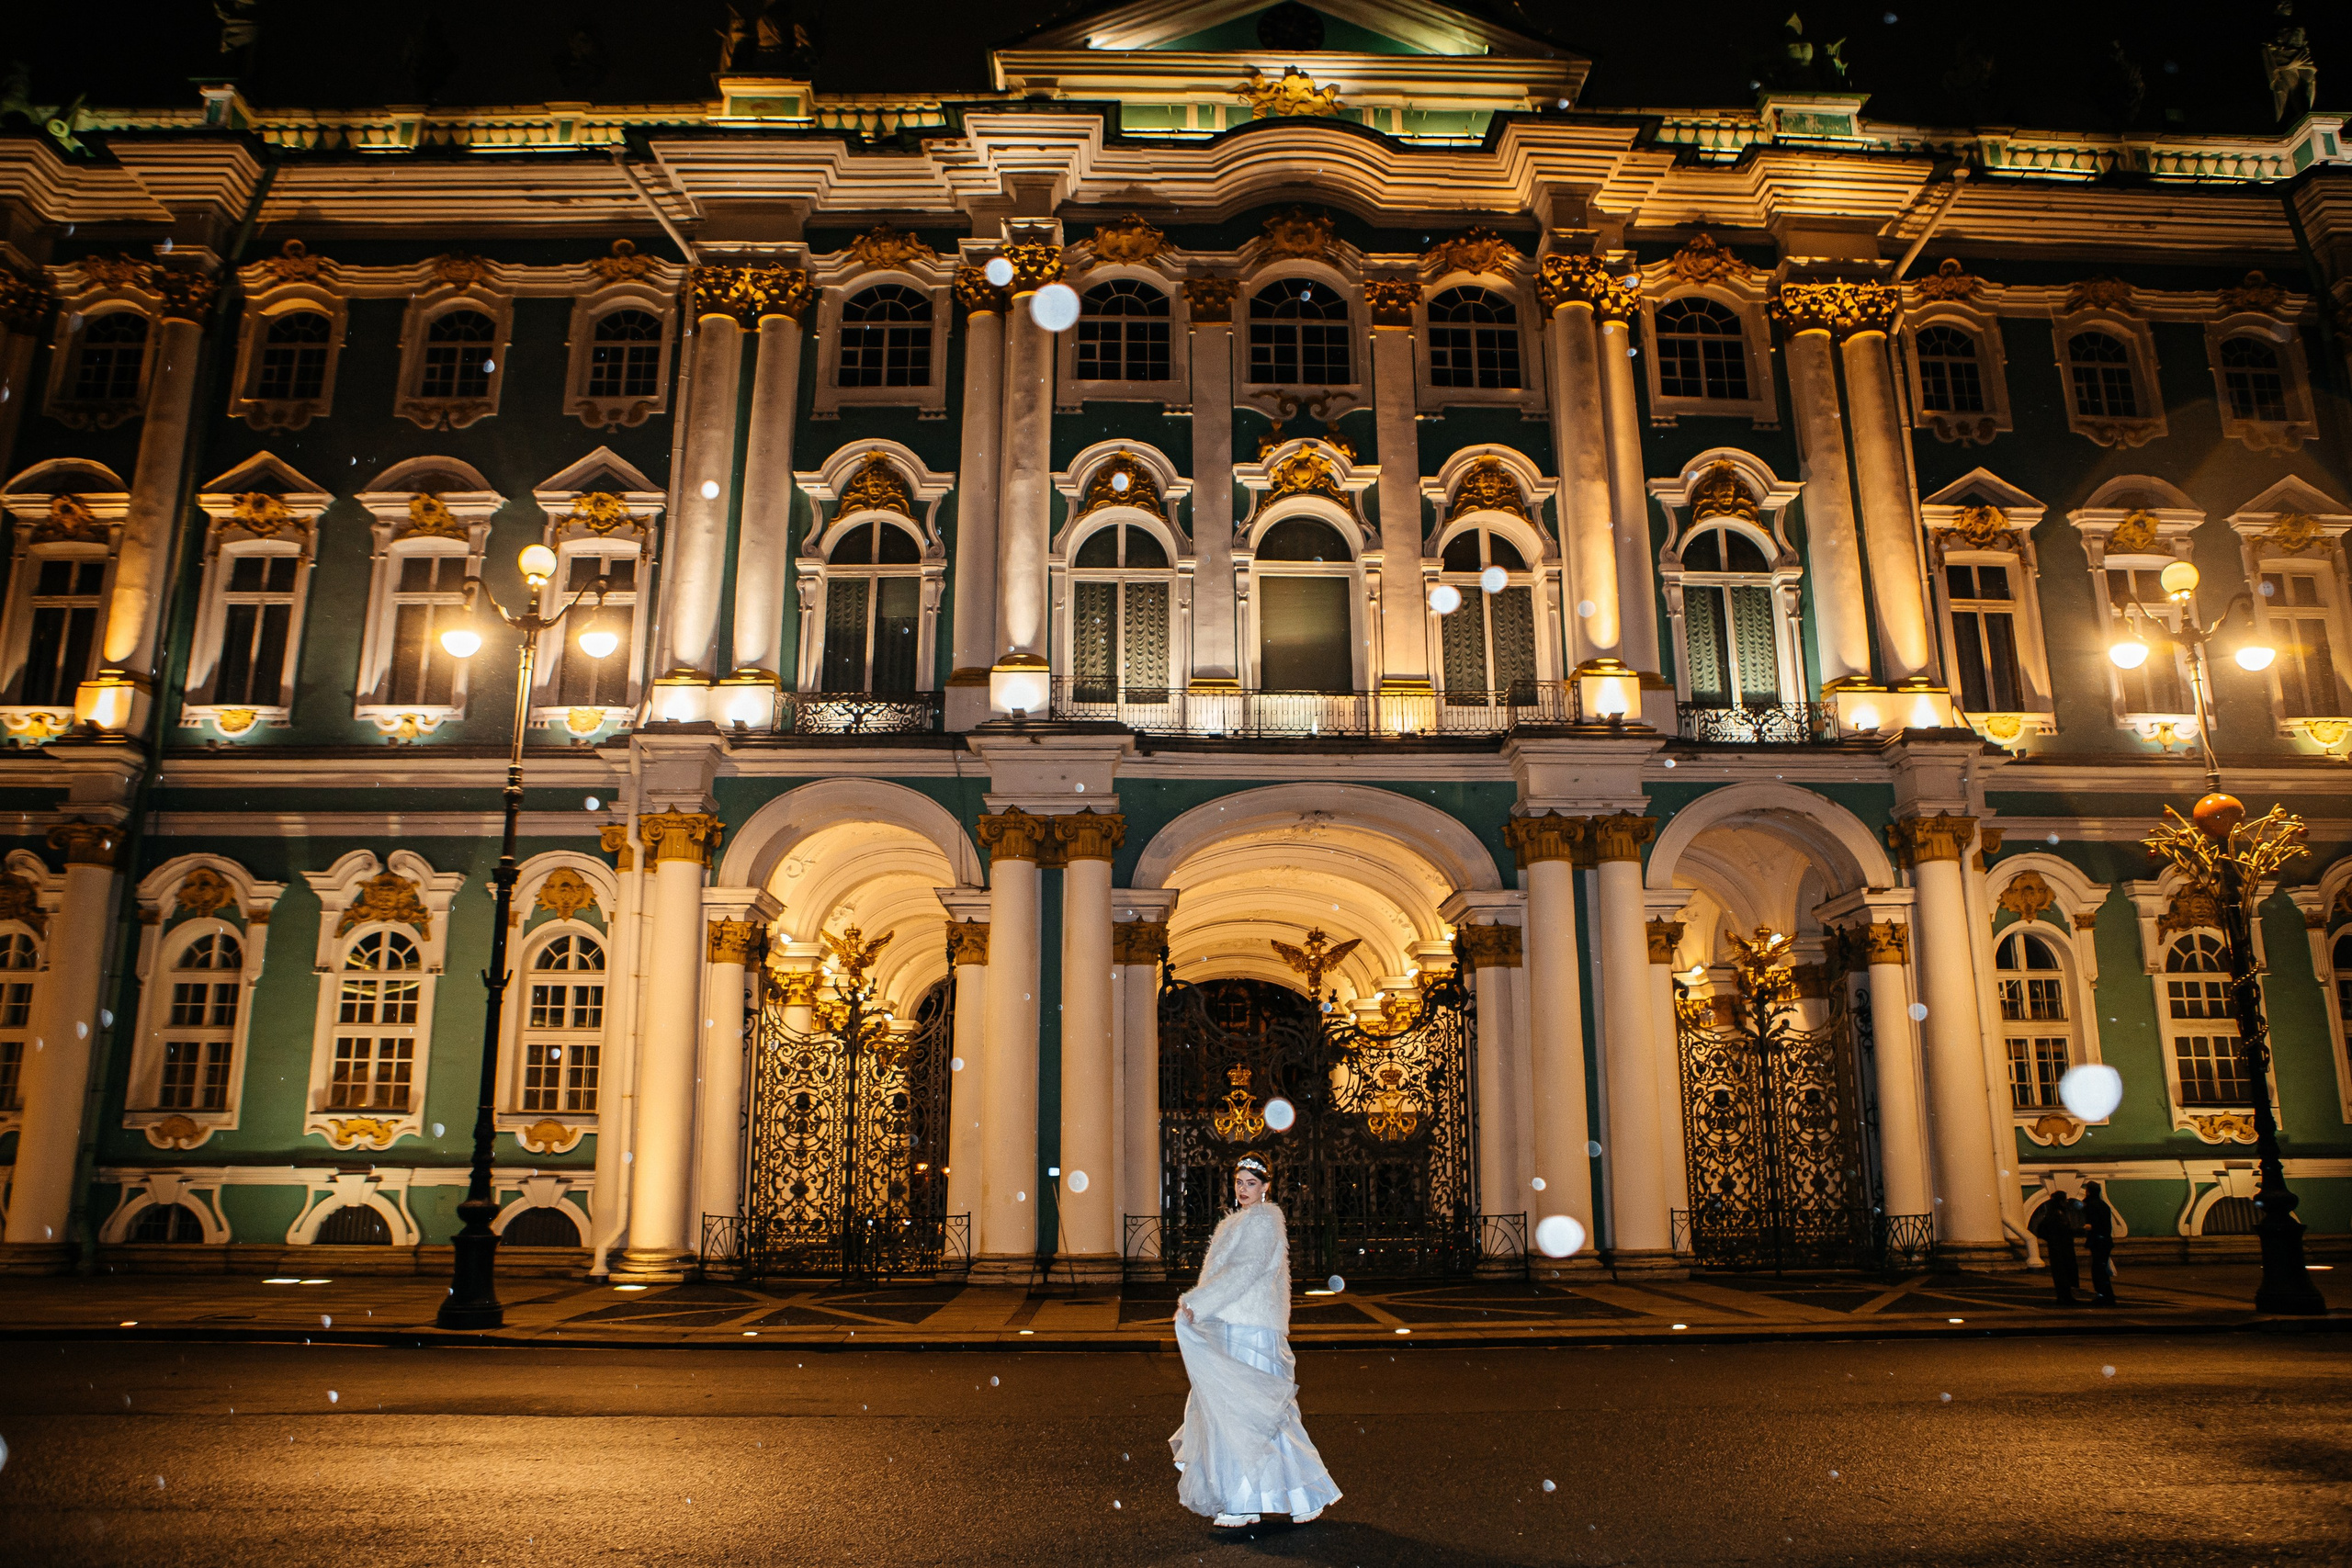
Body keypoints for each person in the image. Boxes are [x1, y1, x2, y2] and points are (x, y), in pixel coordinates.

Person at [1170, 1153, 1341, 1530]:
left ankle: (1254, 1500)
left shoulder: (1265, 1221)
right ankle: (1298, 1497)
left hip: (1254, 1331)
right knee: (1249, 1417)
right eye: (1239, 1182)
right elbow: (1226, 1274)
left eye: (1251, 1182)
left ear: (1266, 1186)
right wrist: (1202, 1308)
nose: (1243, 1189)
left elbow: (1244, 1271)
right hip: (1234, 1327)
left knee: (1257, 1417)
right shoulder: (1238, 1223)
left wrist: (1197, 1304)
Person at [2030, 1189, 2081, 1305]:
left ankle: (2064, 1296)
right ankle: (2065, 1297)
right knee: (2064, 1273)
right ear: (2061, 1201)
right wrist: (2080, 1230)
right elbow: (2065, 1230)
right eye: (2065, 1199)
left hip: (2056, 1248)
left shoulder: (2051, 1212)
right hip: (2062, 1248)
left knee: (2061, 1273)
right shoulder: (2058, 1214)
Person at [2080, 1179, 2118, 1305]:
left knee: (2098, 1271)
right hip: (2105, 1241)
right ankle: (2107, 1295)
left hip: (2098, 1241)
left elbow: (2094, 1224)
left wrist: (2086, 1227)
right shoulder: (2103, 1205)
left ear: (2088, 1192)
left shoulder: (2092, 1205)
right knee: (2101, 1270)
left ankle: (2104, 1296)